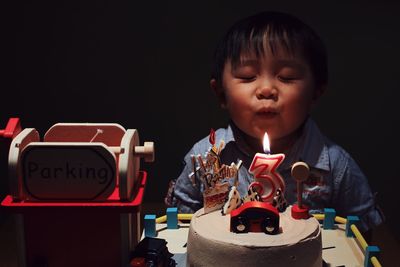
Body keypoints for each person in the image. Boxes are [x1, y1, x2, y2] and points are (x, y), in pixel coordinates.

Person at [165, 11, 384, 233]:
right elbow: (180, 223)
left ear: (316, 92)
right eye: (248, 76)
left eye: (287, 77)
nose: (267, 89)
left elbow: (361, 234)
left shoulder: (336, 166)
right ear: (221, 94)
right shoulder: (205, 157)